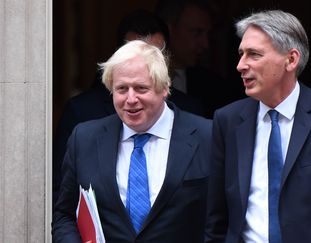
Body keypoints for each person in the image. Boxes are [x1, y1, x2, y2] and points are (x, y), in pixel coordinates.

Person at [205, 10, 311, 242]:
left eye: (254, 54)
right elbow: (216, 219)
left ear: (291, 60)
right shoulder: (228, 120)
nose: (241, 65)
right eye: (241, 54)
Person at [52, 40, 212, 242]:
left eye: (141, 88)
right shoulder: (84, 139)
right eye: (121, 89)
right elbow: (65, 215)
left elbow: (221, 219)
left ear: (164, 88)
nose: (130, 99)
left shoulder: (207, 136)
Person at [52, 9, 205, 205]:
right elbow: (63, 200)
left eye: (154, 55)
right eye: (134, 52)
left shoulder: (195, 118)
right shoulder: (82, 116)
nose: (142, 62)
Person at [155, 0, 232, 118]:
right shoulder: (139, 80)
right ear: (168, 30)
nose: (205, 44)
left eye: (207, 34)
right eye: (197, 32)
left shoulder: (213, 86)